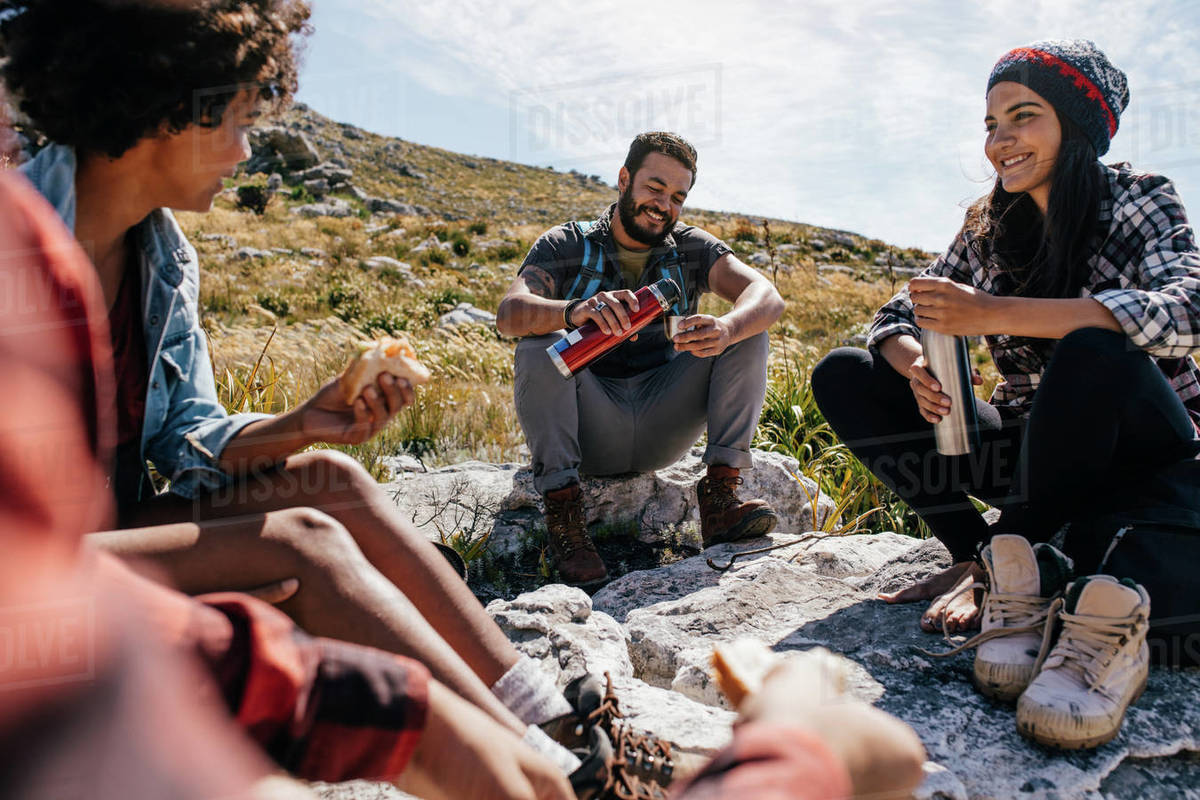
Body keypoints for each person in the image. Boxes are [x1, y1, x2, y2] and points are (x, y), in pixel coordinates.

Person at [0, 0, 617, 782]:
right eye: (236, 120)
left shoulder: (163, 255)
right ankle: (545, 773)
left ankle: (551, 717)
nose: (247, 149)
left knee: (335, 483)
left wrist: (305, 422)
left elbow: (188, 437)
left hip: (113, 529)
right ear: (165, 107)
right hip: (29, 567)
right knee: (302, 544)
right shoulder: (15, 235)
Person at [812, 40, 1190, 747]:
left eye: (1024, 116)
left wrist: (992, 315)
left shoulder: (1138, 200)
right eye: (990, 123)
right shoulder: (988, 226)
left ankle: (1013, 554)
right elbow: (897, 312)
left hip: (1141, 452)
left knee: (1094, 349)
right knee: (846, 371)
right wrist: (916, 360)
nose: (1000, 140)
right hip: (1035, 457)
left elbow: (1186, 311)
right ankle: (984, 554)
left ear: (1077, 128)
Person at [497, 132, 786, 585]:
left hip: (663, 424)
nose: (664, 205)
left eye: (677, 196)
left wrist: (727, 328)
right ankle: (565, 517)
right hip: (590, 428)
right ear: (624, 179)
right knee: (540, 342)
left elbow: (766, 295)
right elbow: (509, 313)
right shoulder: (565, 245)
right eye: (654, 188)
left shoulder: (692, 248)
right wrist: (572, 312)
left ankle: (719, 500)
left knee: (747, 331)